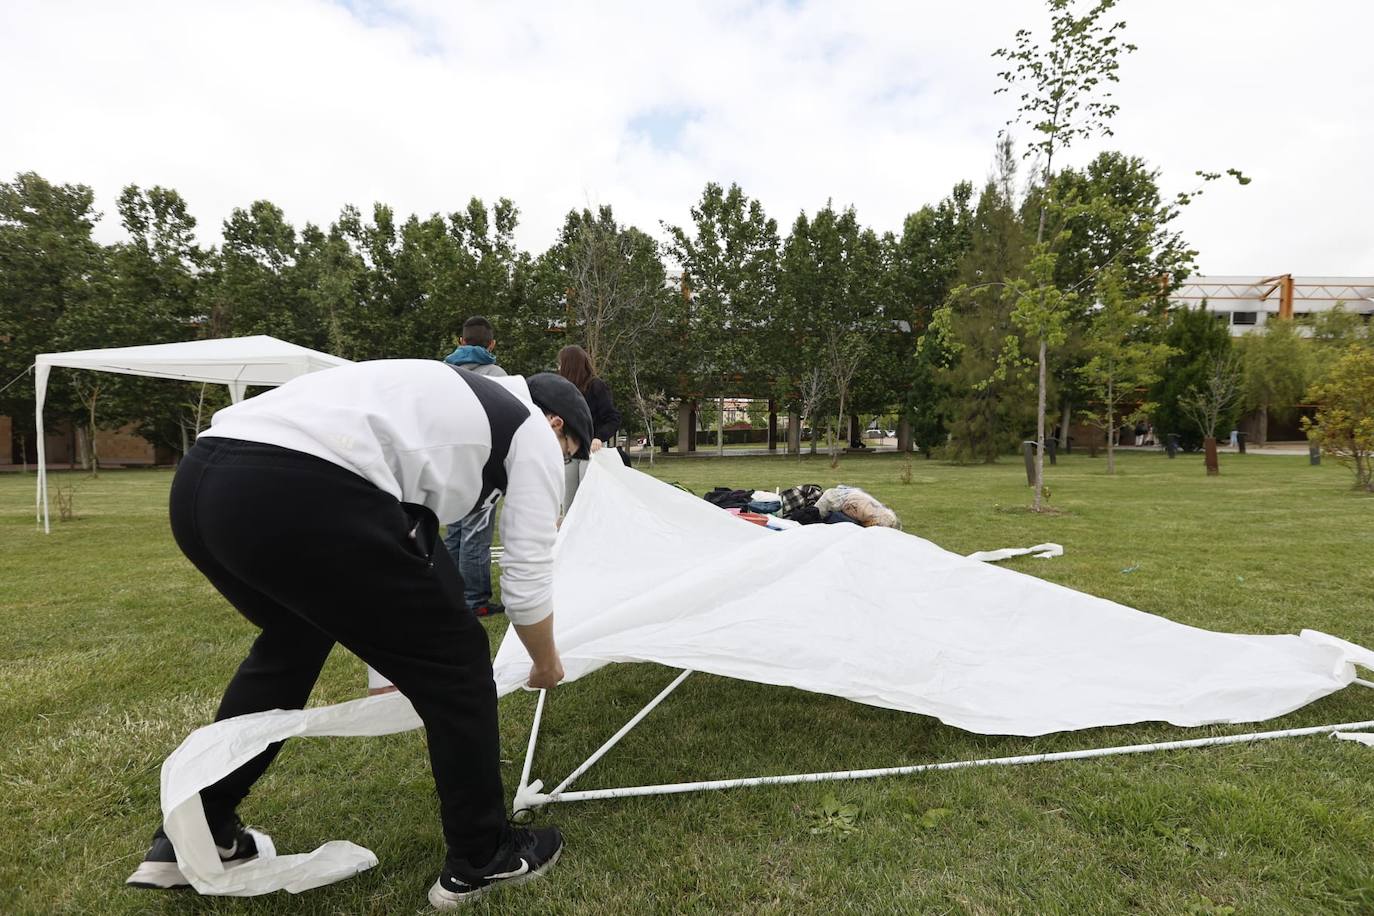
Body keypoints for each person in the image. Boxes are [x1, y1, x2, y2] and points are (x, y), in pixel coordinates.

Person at [124, 360, 593, 910]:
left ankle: (199, 833)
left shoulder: (443, 399)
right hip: (299, 489)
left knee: (291, 642)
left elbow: (410, 544)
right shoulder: (529, 430)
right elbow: (527, 572)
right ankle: (483, 853)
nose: (565, 465)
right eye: (573, 454)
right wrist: (545, 661)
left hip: (205, 482)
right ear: (558, 424)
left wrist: (393, 658)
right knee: (459, 659)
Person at [441, 316, 507, 617]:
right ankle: (474, 600)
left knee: (454, 529)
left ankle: (449, 592)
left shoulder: (442, 373)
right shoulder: (496, 375)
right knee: (476, 532)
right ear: (491, 344)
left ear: (461, 342)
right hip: (482, 461)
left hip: (447, 460)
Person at [556, 345, 620, 510]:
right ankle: (569, 533)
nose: (558, 367)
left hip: (592, 449)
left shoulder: (596, 386)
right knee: (568, 499)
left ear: (569, 365)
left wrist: (599, 437)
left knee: (589, 497)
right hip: (569, 449)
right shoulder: (561, 389)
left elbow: (612, 418)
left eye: (561, 363)